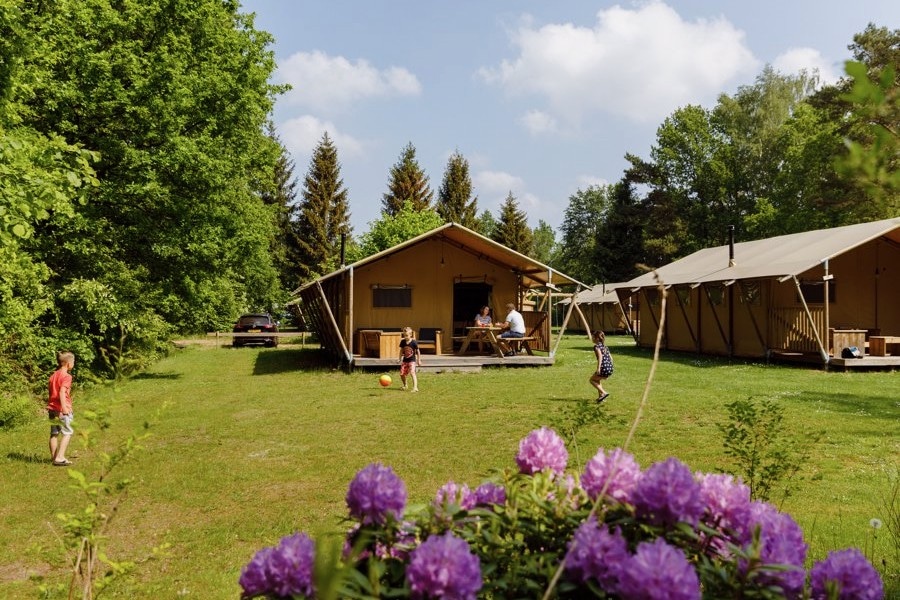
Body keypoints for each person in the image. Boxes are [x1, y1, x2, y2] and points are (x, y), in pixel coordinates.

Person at [48, 351, 76, 466]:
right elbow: (62, 391)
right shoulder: (67, 376)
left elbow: (51, 392)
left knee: (54, 433)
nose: (73, 364)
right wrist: (64, 407)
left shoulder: (53, 375)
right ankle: (60, 457)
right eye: (73, 362)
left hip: (52, 408)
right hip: (61, 409)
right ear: (68, 363)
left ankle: (54, 458)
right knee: (68, 432)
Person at [590, 331, 613, 402]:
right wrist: (611, 368)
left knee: (592, 380)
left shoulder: (596, 347)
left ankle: (604, 392)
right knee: (597, 380)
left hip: (603, 368)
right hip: (609, 367)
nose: (592, 338)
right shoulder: (605, 346)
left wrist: (598, 368)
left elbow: (600, 357)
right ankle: (601, 397)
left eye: (593, 337)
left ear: (597, 338)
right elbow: (611, 358)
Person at [398, 326, 421, 392]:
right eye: (404, 335)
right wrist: (399, 358)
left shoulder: (414, 342)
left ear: (410, 335)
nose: (406, 337)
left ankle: (415, 387)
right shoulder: (403, 342)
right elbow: (401, 351)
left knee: (412, 373)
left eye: (407, 335)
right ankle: (405, 385)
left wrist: (419, 360)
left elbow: (418, 351)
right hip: (405, 360)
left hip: (412, 361)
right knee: (402, 374)